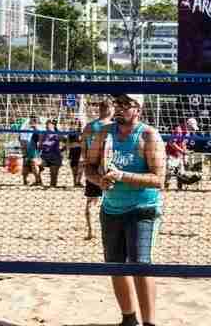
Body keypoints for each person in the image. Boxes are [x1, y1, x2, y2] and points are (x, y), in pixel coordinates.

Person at [85, 94, 165, 326]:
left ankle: (149, 322)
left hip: (143, 209)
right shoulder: (104, 133)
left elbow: (159, 179)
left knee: (140, 264)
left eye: (125, 104)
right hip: (111, 208)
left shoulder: (148, 135)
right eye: (117, 104)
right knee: (115, 264)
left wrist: (122, 175)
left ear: (138, 109)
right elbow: (88, 167)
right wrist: (99, 181)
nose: (118, 108)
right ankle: (129, 319)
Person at [81, 98, 115, 240]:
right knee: (112, 201)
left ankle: (91, 231)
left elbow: (83, 149)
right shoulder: (113, 126)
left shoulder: (89, 127)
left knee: (91, 202)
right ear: (110, 110)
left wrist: (87, 164)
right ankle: (108, 231)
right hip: (108, 166)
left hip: (92, 166)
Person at [165, 117, 199, 190]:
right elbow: (171, 143)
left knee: (181, 173)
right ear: (187, 125)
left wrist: (184, 157)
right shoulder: (178, 130)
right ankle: (165, 188)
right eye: (192, 128)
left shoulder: (188, 133)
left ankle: (180, 189)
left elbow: (183, 145)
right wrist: (183, 152)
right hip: (170, 154)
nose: (193, 130)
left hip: (178, 155)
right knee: (169, 173)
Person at [38, 119, 63, 188]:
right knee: (37, 166)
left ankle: (52, 185)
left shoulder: (58, 133)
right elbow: (39, 144)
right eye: (47, 123)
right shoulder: (43, 133)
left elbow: (64, 141)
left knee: (53, 172)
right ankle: (38, 181)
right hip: (45, 154)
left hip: (55, 154)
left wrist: (62, 149)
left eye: (50, 123)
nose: (48, 125)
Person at [21, 117, 43, 186]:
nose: (31, 121)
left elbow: (40, 138)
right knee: (26, 164)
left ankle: (38, 181)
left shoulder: (38, 128)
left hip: (33, 148)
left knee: (33, 164)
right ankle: (25, 181)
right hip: (27, 147)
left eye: (33, 120)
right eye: (31, 120)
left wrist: (39, 147)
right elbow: (21, 138)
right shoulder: (25, 127)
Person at [67, 118, 84, 188]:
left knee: (80, 167)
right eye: (73, 123)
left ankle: (78, 181)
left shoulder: (81, 131)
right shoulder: (70, 132)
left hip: (80, 150)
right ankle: (75, 182)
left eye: (76, 123)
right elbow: (68, 143)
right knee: (74, 167)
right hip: (73, 150)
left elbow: (83, 142)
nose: (74, 124)